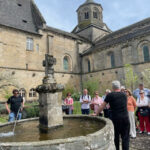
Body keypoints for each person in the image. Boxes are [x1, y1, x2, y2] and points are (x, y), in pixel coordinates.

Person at [93, 81, 130, 150]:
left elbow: (102, 106)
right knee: (125, 138)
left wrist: (96, 113)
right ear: (119, 86)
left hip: (116, 119)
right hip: (125, 118)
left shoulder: (110, 95)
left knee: (115, 137)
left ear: (113, 87)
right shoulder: (124, 95)